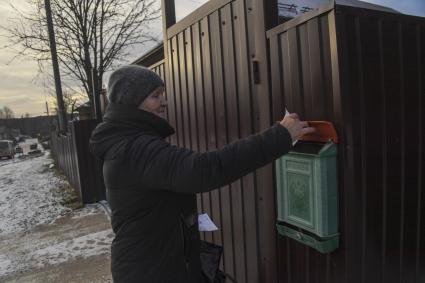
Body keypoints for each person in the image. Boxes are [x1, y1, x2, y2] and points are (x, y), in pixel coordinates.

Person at [89, 65, 315, 283]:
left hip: (156, 266)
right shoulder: (135, 149)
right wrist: (280, 136)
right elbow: (203, 170)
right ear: (133, 102)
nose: (164, 102)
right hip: (151, 272)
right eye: (155, 96)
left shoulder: (131, 143)